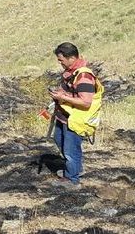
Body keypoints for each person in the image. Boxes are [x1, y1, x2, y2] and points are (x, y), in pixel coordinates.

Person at [48, 42, 104, 187]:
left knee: (70, 150)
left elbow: (86, 102)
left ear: (72, 58)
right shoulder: (70, 72)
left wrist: (63, 98)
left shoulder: (84, 76)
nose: (60, 63)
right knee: (59, 140)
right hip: (64, 115)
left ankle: (72, 180)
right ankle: (74, 168)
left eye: (61, 60)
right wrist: (60, 94)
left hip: (75, 119)